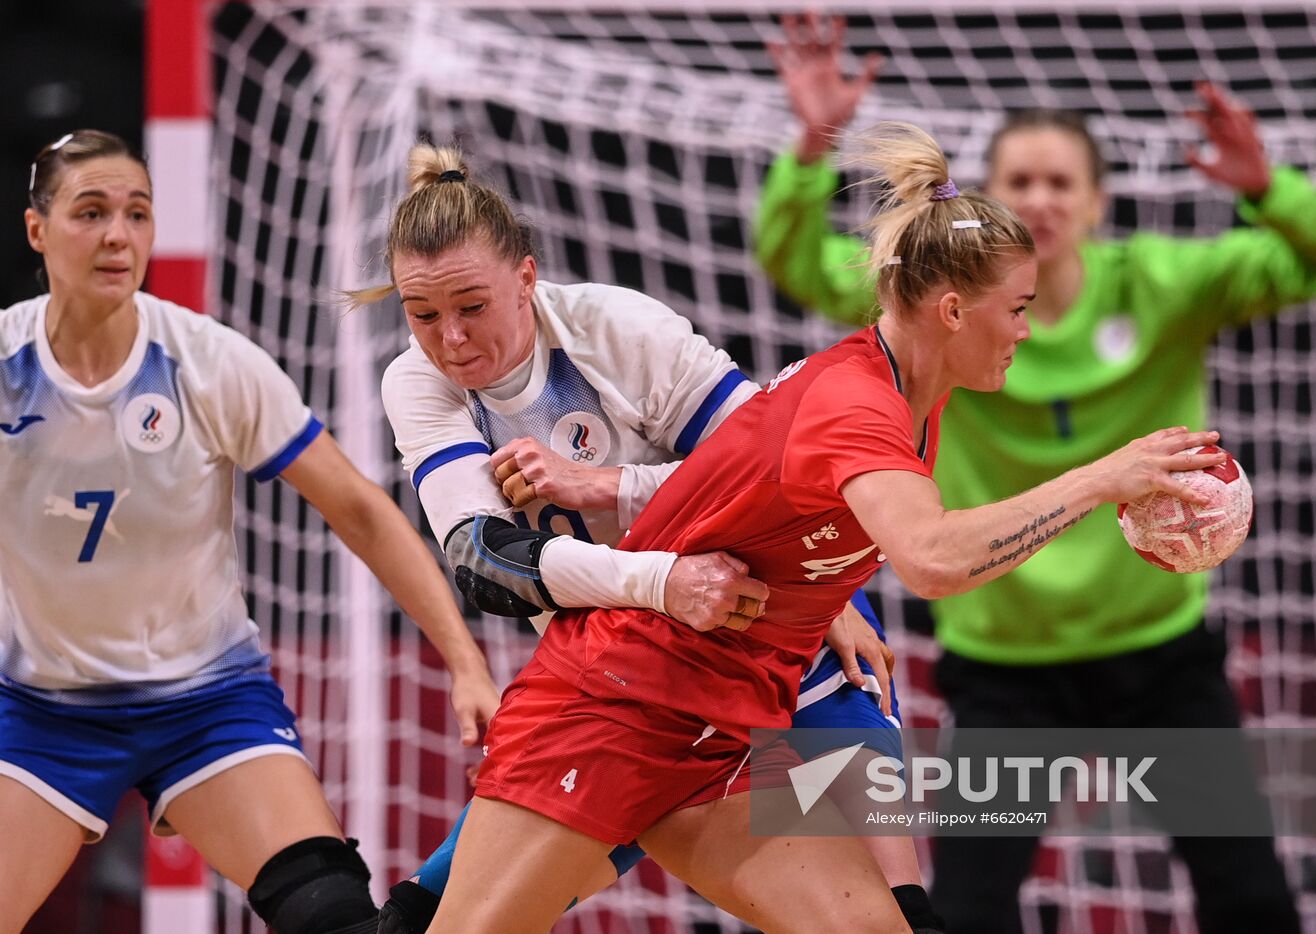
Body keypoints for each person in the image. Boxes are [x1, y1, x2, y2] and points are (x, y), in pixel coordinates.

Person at [401, 118, 1228, 934]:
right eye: (1016, 308)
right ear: (949, 310)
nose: (1024, 330)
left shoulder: (911, 397)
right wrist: (1100, 479)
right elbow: (933, 561)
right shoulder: (858, 407)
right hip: (616, 702)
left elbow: (737, 488)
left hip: (735, 716)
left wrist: (817, 595)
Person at [756, 13, 1316, 933]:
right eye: (1019, 182)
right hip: (1010, 668)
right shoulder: (945, 308)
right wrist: (811, 143)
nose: (1040, 198)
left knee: (1250, 898)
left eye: (1060, 182)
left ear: (1094, 202)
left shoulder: (1166, 283)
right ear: (988, 206)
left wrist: (1267, 188)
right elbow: (791, 256)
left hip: (1159, 651)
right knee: (968, 909)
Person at [353, 144, 932, 933]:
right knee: (415, 921)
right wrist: (660, 580)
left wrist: (606, 486)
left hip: (772, 647)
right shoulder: (416, 384)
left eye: (471, 306)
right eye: (423, 316)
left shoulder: (616, 329)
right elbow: (483, 565)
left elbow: (783, 477)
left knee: (900, 915)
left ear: (527, 278)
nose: (450, 339)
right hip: (618, 693)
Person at [0, 129, 501, 934]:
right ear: (38, 230)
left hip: (206, 701)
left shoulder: (209, 362)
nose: (118, 235)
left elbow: (362, 510)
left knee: (337, 920)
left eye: (137, 213)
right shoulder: (6, 362)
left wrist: (465, 660)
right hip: (43, 709)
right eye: (90, 213)